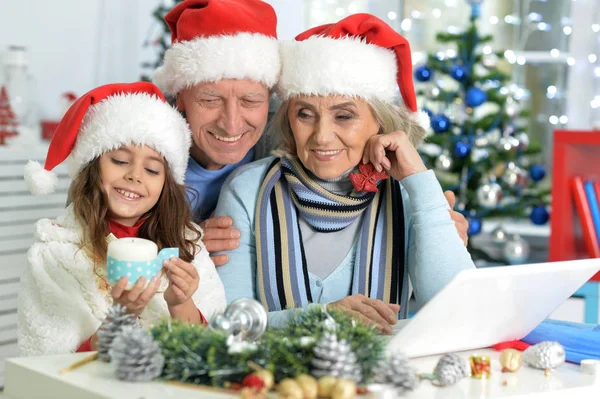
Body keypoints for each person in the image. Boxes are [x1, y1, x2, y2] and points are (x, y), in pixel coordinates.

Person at [153, 0, 469, 266]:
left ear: (271, 97)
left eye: (251, 100)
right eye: (210, 100)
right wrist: (168, 251)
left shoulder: (296, 138)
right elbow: (105, 257)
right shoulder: (143, 148)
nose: (232, 123)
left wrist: (437, 226)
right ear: (179, 96)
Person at [214, 14, 476, 333]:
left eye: (344, 116)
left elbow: (457, 313)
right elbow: (229, 323)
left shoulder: (410, 196)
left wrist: (420, 181)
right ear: (289, 120)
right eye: (305, 114)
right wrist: (323, 320)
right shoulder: (247, 190)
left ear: (379, 121)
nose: (322, 136)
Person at [18, 83, 226, 356]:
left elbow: (215, 356)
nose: (135, 176)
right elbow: (46, 367)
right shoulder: (54, 254)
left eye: (152, 169)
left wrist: (181, 303)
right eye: (119, 160)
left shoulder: (189, 247)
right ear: (93, 167)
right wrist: (121, 317)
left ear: (167, 183)